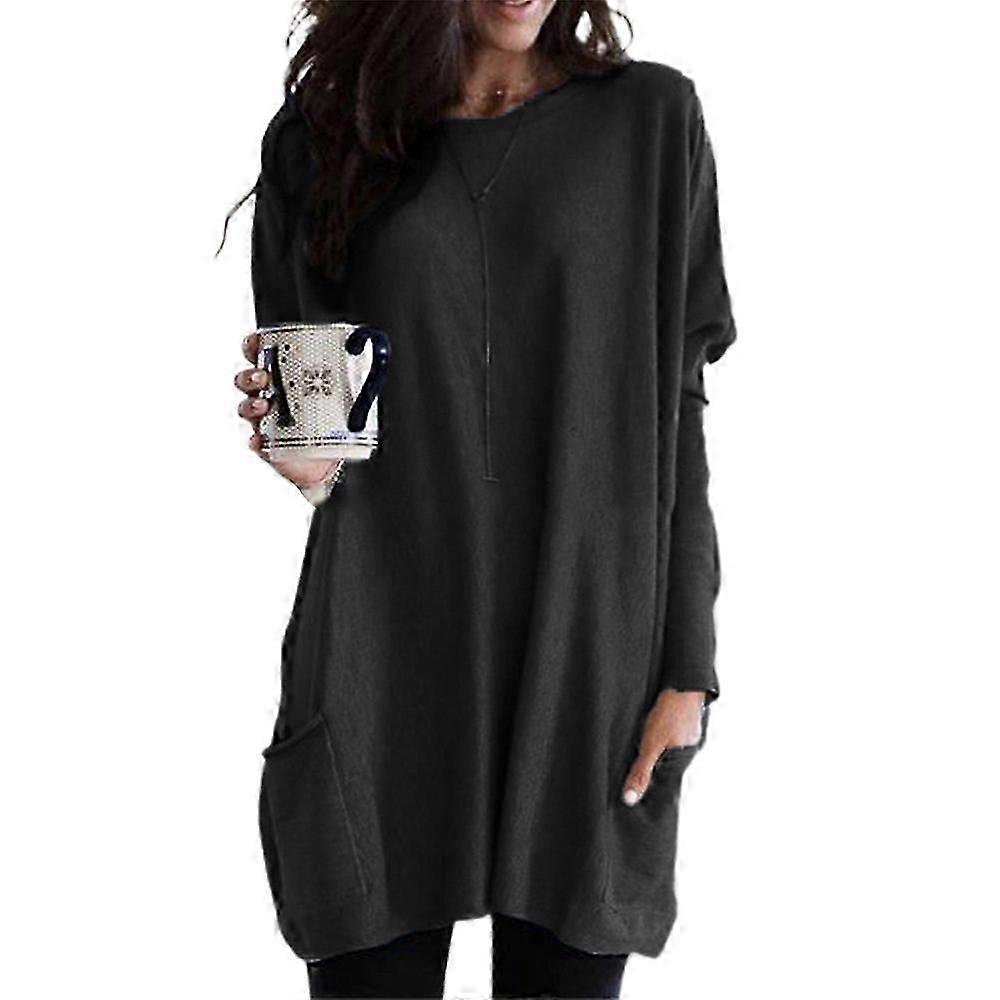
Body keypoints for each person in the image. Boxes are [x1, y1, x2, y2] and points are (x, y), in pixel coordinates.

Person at [228, 1, 737, 996]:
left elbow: (679, 409)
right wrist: (307, 464)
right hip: (383, 650)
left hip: (588, 655)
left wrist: (689, 667)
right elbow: (318, 425)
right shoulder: (327, 136)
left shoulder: (650, 121)